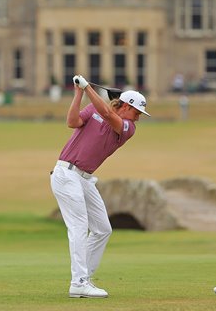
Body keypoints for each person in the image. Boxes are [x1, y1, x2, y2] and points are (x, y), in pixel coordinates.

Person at [50, 74, 150, 298]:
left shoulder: (127, 127)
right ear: (125, 106)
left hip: (84, 179)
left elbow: (106, 113)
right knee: (78, 227)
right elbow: (72, 122)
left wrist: (86, 88)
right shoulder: (93, 110)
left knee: (103, 229)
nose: (138, 118)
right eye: (137, 112)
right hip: (66, 173)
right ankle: (79, 283)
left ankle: (84, 278)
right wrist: (78, 94)